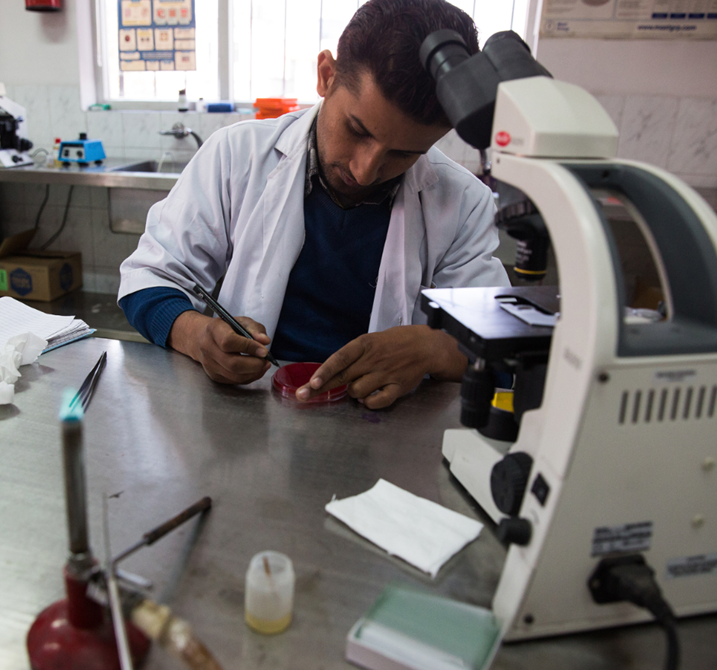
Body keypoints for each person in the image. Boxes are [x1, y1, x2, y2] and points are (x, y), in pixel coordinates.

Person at [118, 0, 508, 409]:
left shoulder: (463, 203)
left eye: (404, 154)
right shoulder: (237, 155)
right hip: (250, 418)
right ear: (327, 75)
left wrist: (435, 350)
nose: (365, 170)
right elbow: (148, 281)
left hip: (387, 431)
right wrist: (198, 337)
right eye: (357, 130)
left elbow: (499, 352)